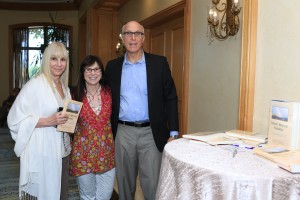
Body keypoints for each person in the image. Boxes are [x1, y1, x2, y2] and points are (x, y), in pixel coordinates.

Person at [105, 21, 179, 200]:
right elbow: (104, 97)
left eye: (137, 34)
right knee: (124, 184)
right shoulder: (112, 67)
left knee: (152, 184)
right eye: (128, 34)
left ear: (143, 38)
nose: (133, 38)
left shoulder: (159, 63)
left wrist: (174, 131)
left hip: (151, 133)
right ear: (122, 38)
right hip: (123, 132)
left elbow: (171, 97)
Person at [7, 42, 72, 200]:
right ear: (46, 60)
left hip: (62, 150)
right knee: (44, 193)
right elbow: (13, 120)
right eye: (54, 59)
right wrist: (48, 121)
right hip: (42, 151)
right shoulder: (34, 85)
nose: (58, 64)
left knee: (60, 192)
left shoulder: (64, 87)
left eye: (62, 59)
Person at [70, 55, 115, 200]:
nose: (93, 73)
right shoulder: (74, 95)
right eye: (88, 70)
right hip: (82, 155)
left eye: (96, 69)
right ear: (82, 73)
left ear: (101, 72)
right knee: (87, 196)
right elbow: (68, 125)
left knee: (105, 196)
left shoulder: (110, 93)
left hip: (106, 155)